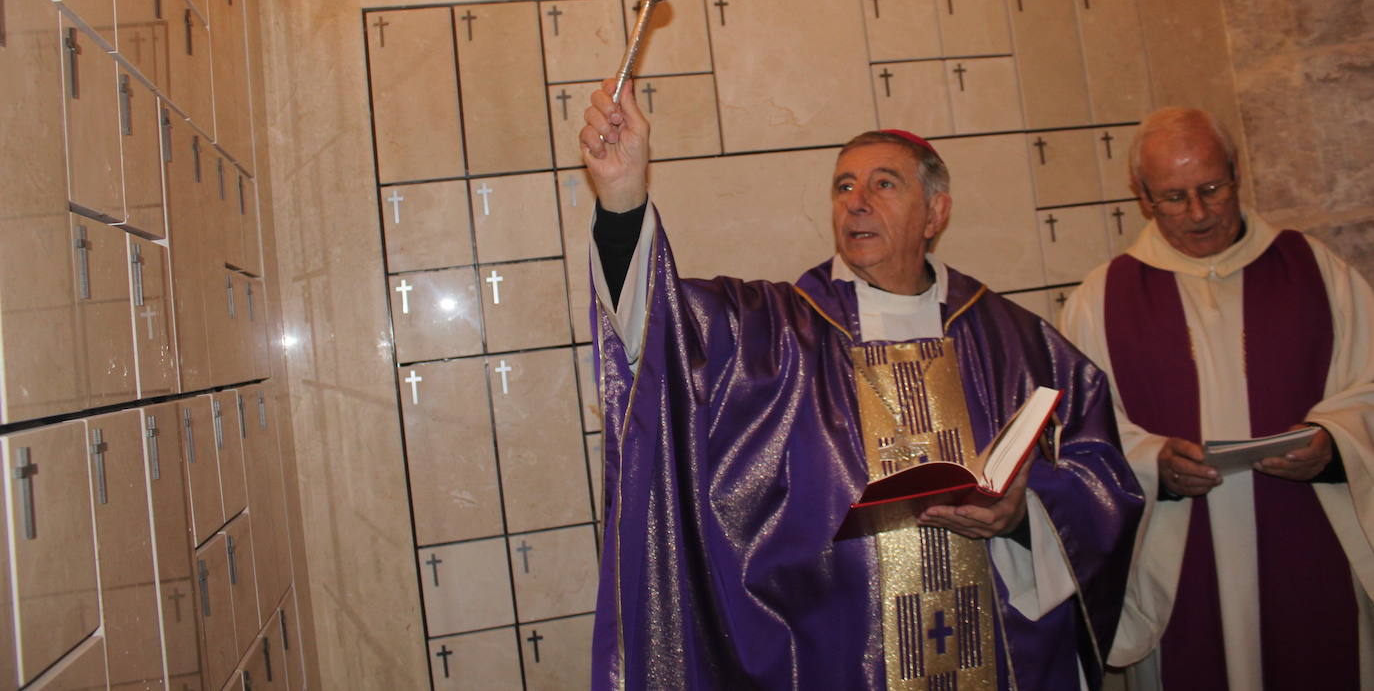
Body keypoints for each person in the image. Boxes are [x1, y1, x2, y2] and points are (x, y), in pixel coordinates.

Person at [578, 77, 1143, 690]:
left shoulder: (1017, 342)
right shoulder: (775, 333)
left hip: (1006, 660)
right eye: (844, 186)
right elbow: (656, 330)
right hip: (842, 659)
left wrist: (1023, 515)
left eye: (884, 184)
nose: (857, 201)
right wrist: (622, 196)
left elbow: (1101, 477)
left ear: (936, 213)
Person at [1059, 107, 1374, 690]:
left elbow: (1371, 385)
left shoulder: (1314, 270)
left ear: (1236, 172)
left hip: (1310, 547)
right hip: (1180, 563)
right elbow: (1083, 432)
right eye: (1174, 197)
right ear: (1143, 197)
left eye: (1211, 188)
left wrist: (1334, 443)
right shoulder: (1101, 299)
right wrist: (1156, 463)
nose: (1199, 213)